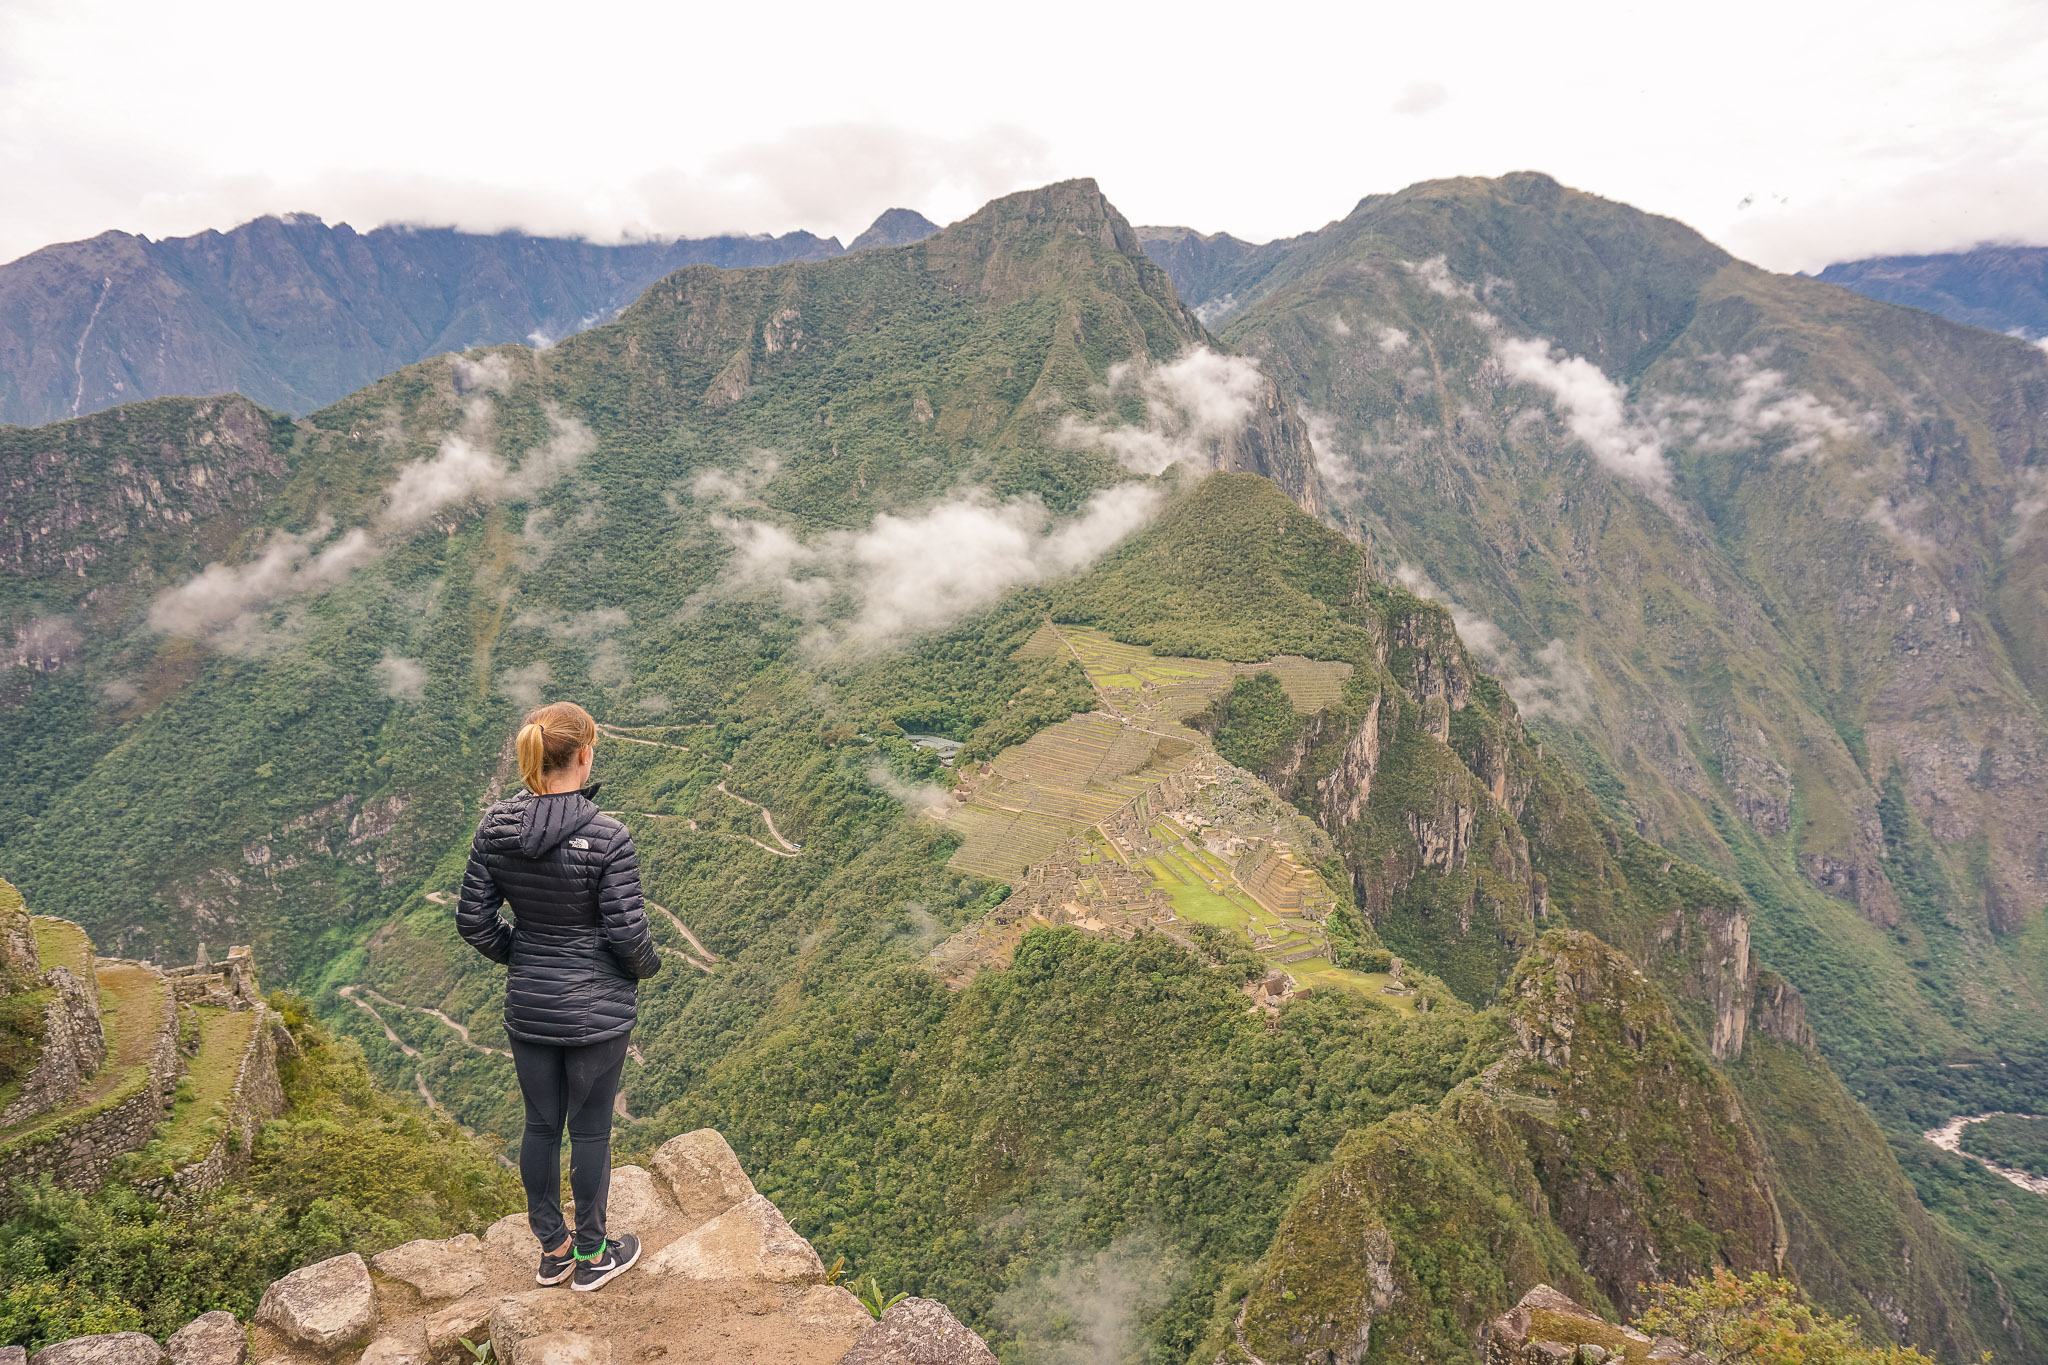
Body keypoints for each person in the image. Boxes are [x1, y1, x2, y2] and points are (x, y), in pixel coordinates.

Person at [456, 701, 662, 1292]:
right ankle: (597, 1253)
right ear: (584, 754)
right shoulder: (607, 836)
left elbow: (474, 921)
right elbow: (627, 934)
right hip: (597, 1012)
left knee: (540, 1126)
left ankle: (553, 1249)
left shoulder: (496, 828)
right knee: (591, 1130)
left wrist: (522, 955)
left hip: (530, 1005)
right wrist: (643, 969)